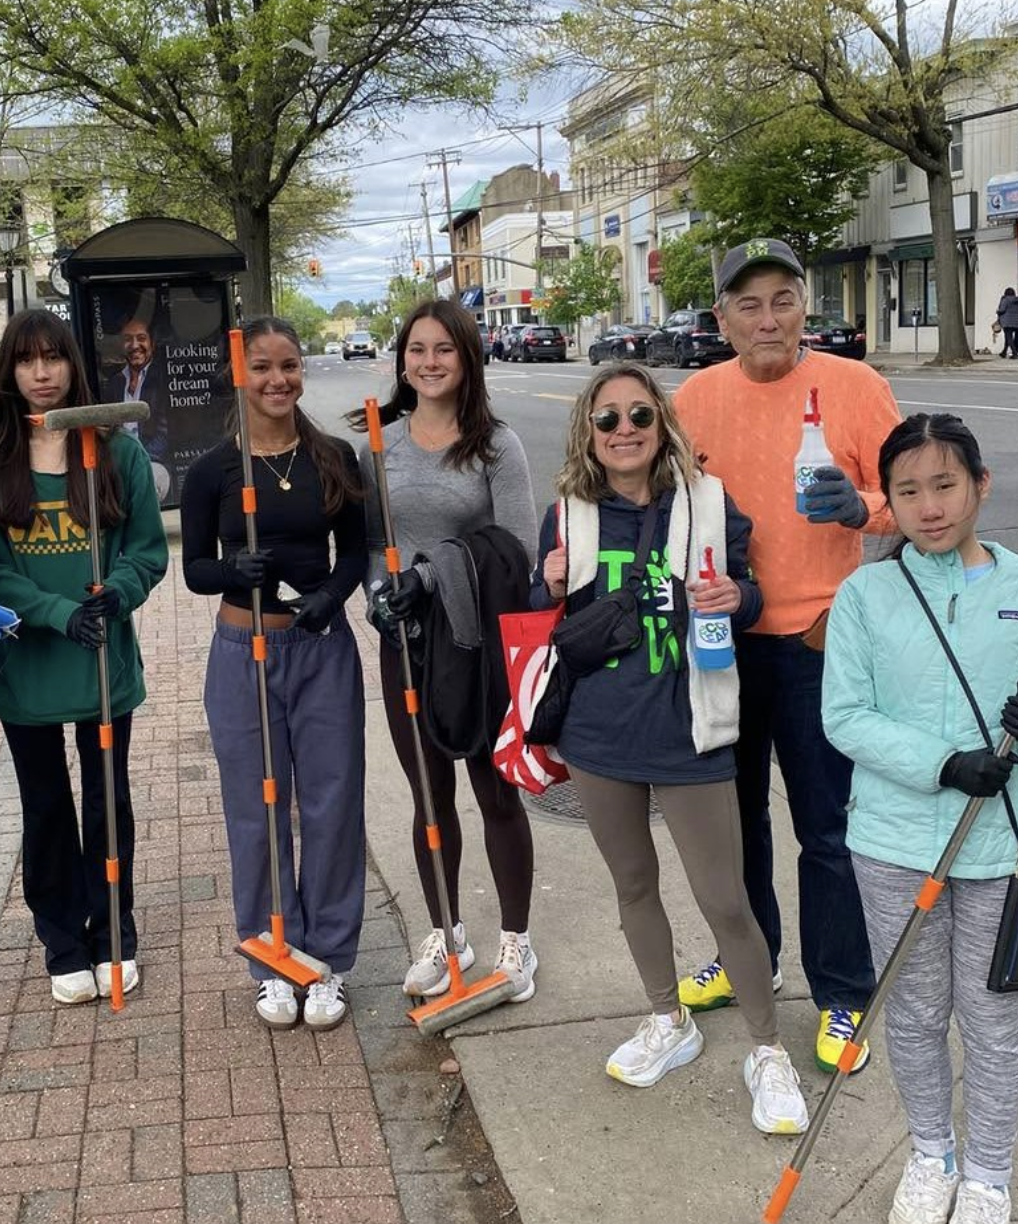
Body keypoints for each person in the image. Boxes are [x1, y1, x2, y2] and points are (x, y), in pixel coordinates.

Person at [823, 412, 1018, 1224]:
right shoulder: (866, 593)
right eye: (908, 491)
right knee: (909, 1013)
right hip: (893, 845)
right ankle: (932, 1154)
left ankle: (987, 1175)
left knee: (995, 1020)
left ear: (980, 486)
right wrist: (942, 765)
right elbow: (846, 715)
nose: (929, 507)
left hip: (1002, 854)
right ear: (888, 503)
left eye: (945, 485)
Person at [531, 363, 809, 1133]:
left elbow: (748, 594)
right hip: (598, 733)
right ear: (588, 429)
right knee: (632, 886)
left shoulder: (710, 504)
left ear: (662, 427)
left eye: (640, 416)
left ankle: (767, 1047)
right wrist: (544, 583)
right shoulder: (568, 513)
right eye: (608, 418)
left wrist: (737, 598)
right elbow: (546, 613)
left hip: (692, 732)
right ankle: (667, 1018)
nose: (624, 431)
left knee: (726, 898)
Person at [674, 237, 902, 1073]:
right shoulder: (695, 397)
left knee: (829, 831)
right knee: (735, 827)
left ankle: (843, 995)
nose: (767, 319)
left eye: (782, 300)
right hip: (720, 643)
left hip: (822, 641)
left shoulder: (855, 387)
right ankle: (750, 960)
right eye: (748, 304)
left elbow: (908, 495)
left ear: (806, 307)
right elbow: (654, 506)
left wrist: (864, 508)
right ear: (723, 318)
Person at [0, 309, 168, 1006]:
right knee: (45, 803)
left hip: (102, 663)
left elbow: (144, 548)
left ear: (74, 365)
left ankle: (114, 930)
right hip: (29, 666)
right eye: (26, 360)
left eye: (54, 358)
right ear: (9, 372)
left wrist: (119, 593)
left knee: (108, 802)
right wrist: (55, 613)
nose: (42, 373)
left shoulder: (115, 452)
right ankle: (61, 936)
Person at [350, 299, 540, 1004]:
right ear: (402, 359)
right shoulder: (382, 443)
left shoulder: (497, 445)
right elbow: (373, 541)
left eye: (444, 350)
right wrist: (378, 591)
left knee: (496, 792)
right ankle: (446, 930)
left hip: (479, 645)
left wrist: (428, 576)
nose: (429, 362)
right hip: (408, 643)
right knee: (430, 797)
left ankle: (516, 942)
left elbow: (517, 550)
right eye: (417, 349)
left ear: (467, 360)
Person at [181, 316, 368, 1031]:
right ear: (241, 374)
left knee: (330, 802)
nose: (277, 380)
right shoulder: (214, 471)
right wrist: (233, 570)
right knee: (256, 808)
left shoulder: (332, 457)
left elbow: (352, 551)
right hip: (243, 652)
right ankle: (271, 957)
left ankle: (327, 960)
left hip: (320, 651)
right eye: (261, 367)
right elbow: (196, 566)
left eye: (288, 365)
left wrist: (331, 596)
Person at [107, 316, 171, 498]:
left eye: (141, 338)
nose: (135, 345)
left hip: (153, 462)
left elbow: (165, 434)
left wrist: (137, 460)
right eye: (128, 339)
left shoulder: (163, 378)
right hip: (120, 463)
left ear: (153, 343)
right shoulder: (115, 383)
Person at [996, 289, 1018, 359]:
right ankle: (1004, 352)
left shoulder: (1005, 300)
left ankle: (1014, 353)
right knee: (1015, 338)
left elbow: (1002, 310)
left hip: (1007, 321)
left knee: (1009, 338)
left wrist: (998, 311)